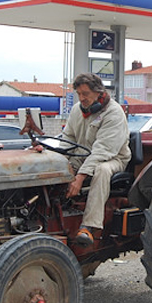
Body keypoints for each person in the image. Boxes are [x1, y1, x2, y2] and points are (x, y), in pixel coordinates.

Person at [61, 73, 131, 246]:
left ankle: (89, 227)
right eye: (79, 94)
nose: (81, 98)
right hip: (83, 157)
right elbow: (67, 139)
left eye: (85, 94)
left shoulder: (113, 113)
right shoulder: (77, 109)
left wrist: (80, 177)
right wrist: (58, 160)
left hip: (113, 158)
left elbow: (103, 151)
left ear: (99, 92)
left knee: (102, 170)